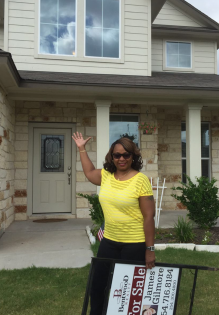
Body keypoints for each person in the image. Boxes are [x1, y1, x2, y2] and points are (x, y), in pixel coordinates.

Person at [72, 132, 155, 315]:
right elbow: (89, 172)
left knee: (128, 291)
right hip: (109, 240)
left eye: (126, 155)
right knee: (98, 286)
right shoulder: (107, 176)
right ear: (112, 157)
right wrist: (82, 148)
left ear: (133, 156)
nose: (122, 159)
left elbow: (149, 217)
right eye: (117, 155)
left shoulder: (140, 180)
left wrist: (149, 250)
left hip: (134, 243)